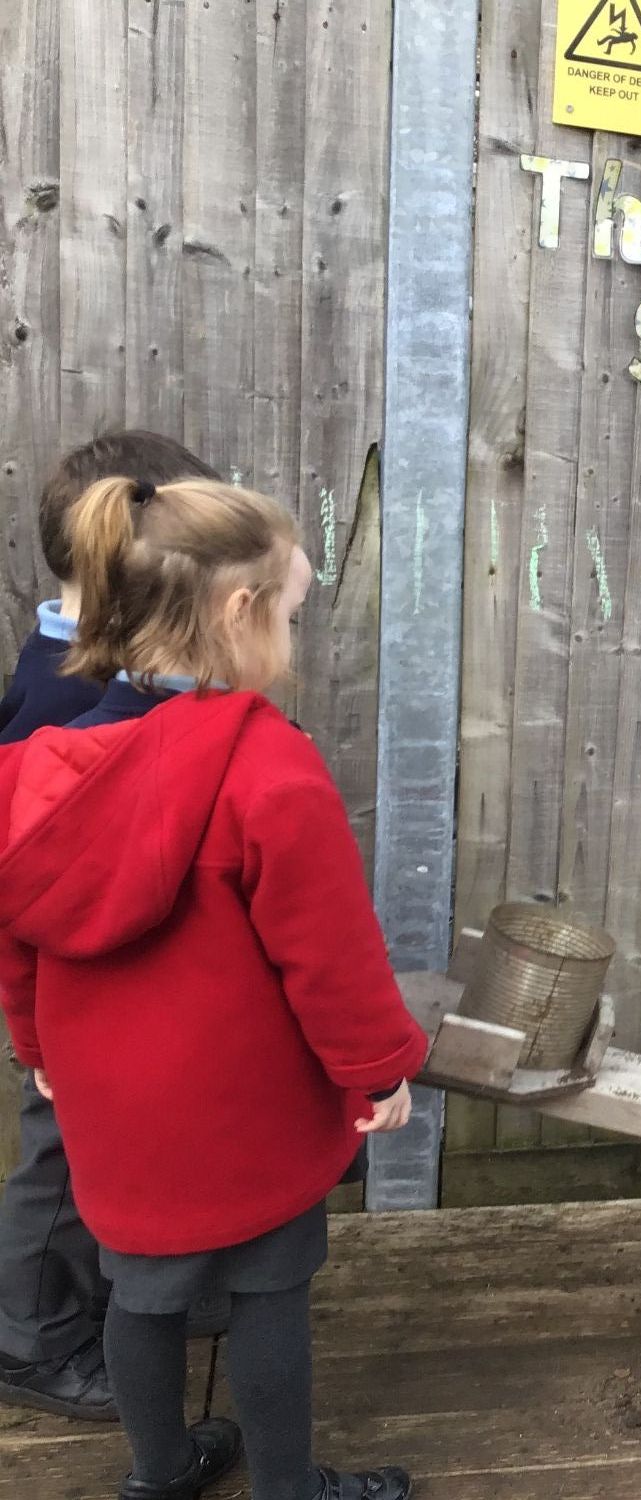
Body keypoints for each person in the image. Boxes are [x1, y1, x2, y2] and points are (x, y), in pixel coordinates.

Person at [0, 475, 432, 1500]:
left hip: (111, 1107)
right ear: (236, 613)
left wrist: (35, 1047)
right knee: (269, 1294)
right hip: (251, 1109)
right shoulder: (267, 770)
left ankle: (159, 1475)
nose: (290, 634)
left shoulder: (33, 769)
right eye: (287, 612)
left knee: (137, 1294)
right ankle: (291, 1491)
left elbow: (15, 936)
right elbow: (332, 960)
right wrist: (380, 1074)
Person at [0, 432, 222, 1424]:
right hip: (60, 979)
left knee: (99, 1151)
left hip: (101, 976)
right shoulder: (67, 693)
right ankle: (30, 1341)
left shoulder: (98, 666)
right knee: (58, 1157)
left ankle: (101, 1311)